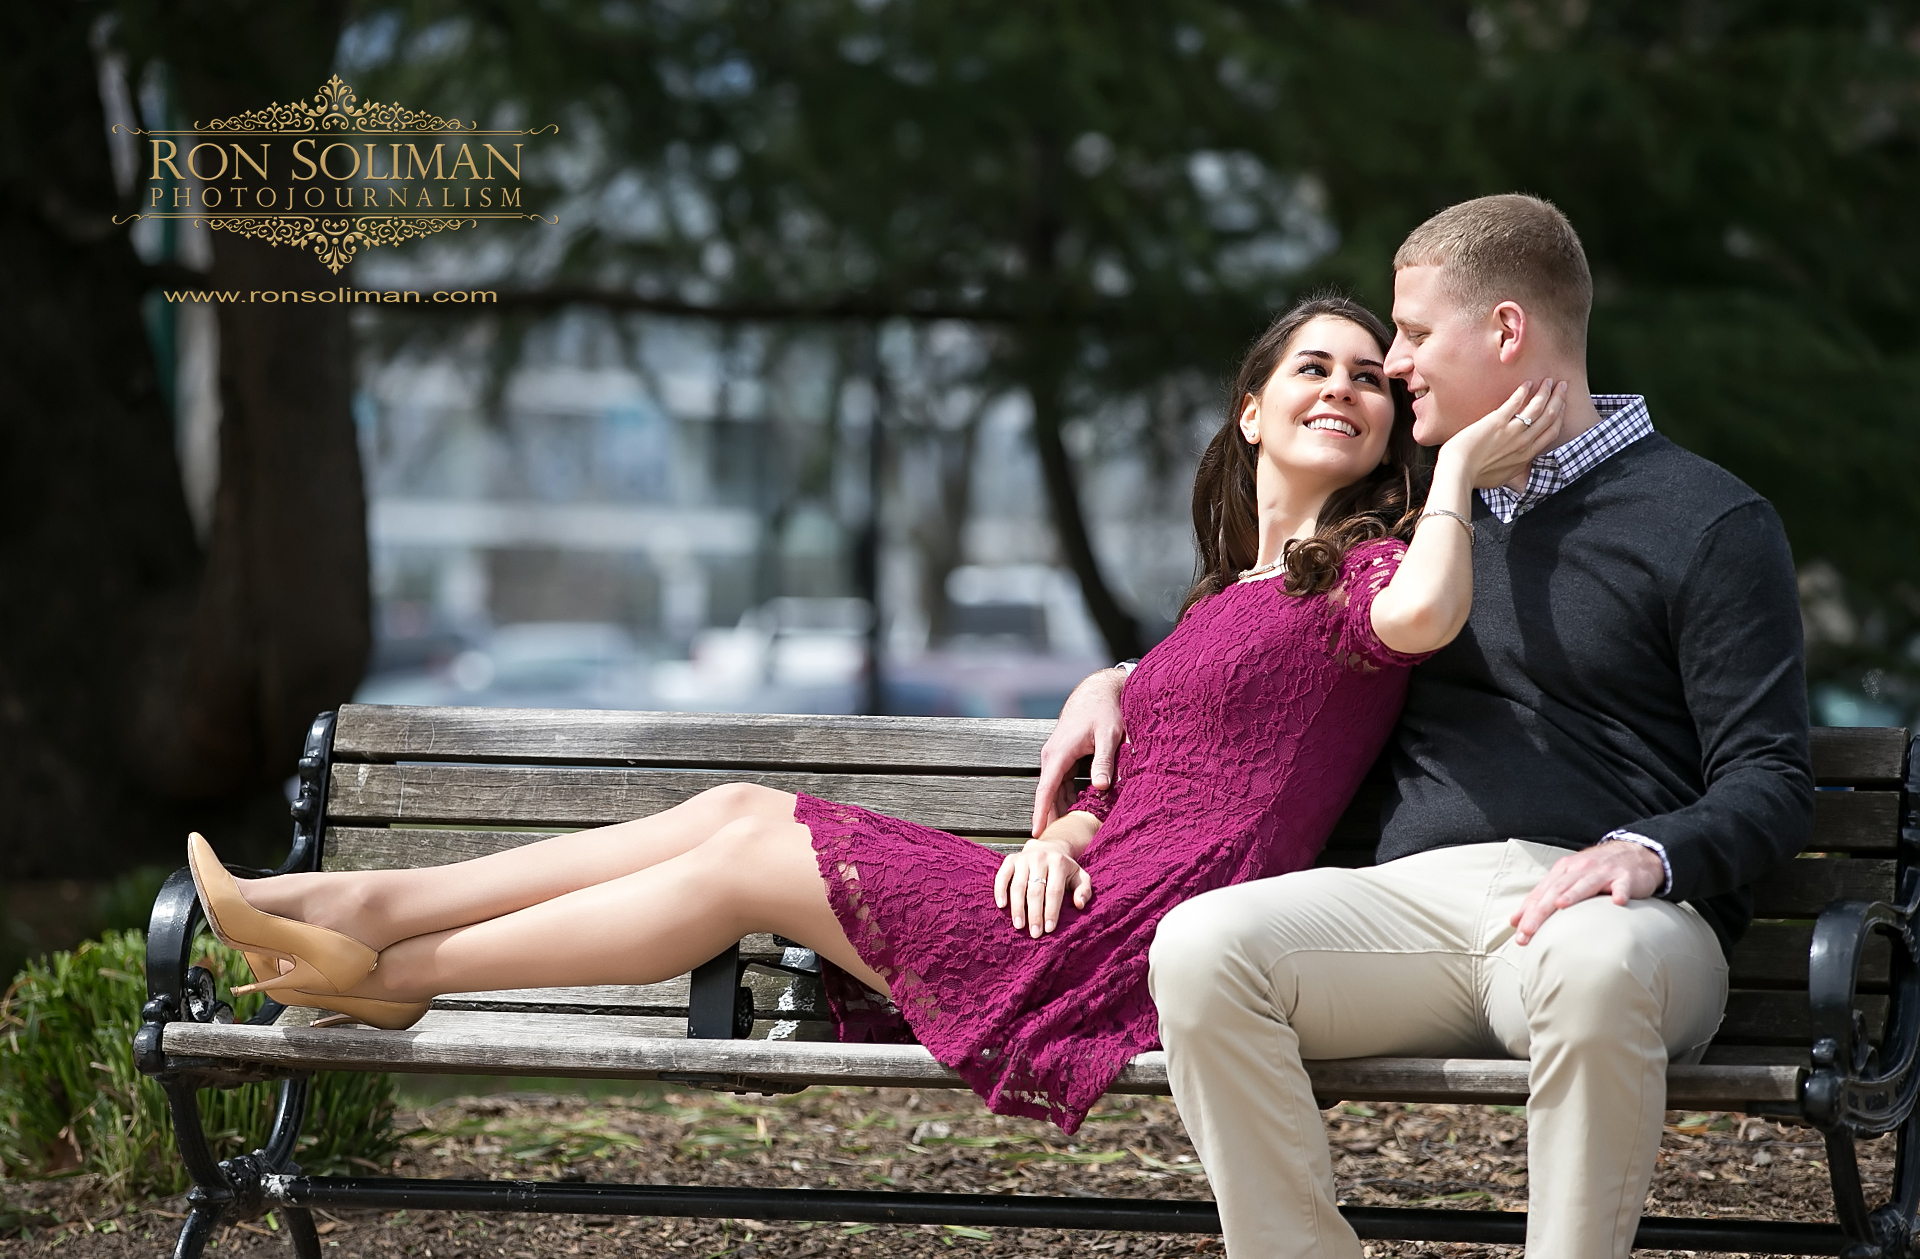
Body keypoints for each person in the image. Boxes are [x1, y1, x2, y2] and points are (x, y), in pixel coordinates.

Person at [186, 293, 1564, 1135]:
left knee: (742, 850)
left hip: (1141, 952)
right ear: (1251, 410)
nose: (1348, 388)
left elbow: (1424, 621)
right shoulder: (1225, 598)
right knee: (734, 817)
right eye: (1314, 368)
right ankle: (375, 924)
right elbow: (1169, 775)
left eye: (1371, 382)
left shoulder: (1365, 570)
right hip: (1086, 896)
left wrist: (1451, 477)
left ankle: (393, 947)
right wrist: (1075, 822)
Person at [1034, 195, 1815, 1257]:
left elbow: (1770, 775)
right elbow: (1261, 632)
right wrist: (1119, 675)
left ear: (1503, 331)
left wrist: (1645, 851)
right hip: (1415, 907)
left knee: (1595, 965)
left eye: (1412, 332)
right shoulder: (1414, 524)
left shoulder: (1709, 520)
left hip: (1616, 922)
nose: (1392, 364)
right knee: (1204, 946)